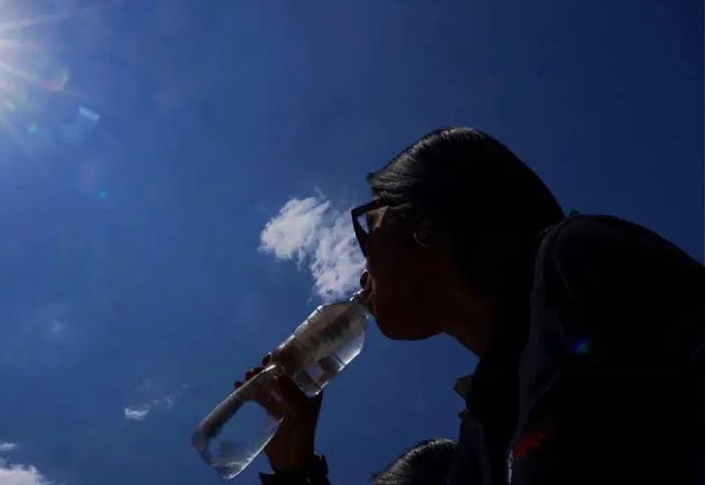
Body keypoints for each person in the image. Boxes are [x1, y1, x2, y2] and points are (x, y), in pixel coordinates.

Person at [235, 128, 704, 485]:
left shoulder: (574, 264)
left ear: (424, 225)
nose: (362, 272)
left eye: (370, 225)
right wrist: (294, 466)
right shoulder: (486, 428)